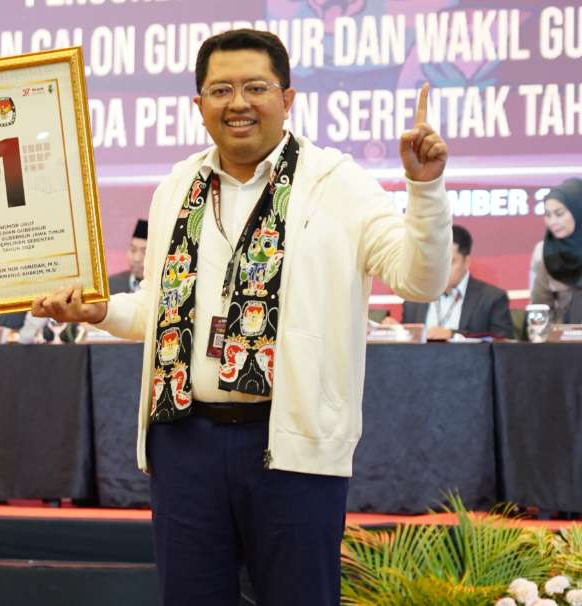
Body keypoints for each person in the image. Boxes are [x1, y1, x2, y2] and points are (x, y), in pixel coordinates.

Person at [31, 30, 450, 606]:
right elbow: (160, 308)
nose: (239, 103)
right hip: (184, 440)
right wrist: (101, 310)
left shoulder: (337, 183)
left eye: (256, 87)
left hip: (290, 445)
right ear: (199, 104)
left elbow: (420, 279)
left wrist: (423, 190)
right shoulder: (178, 186)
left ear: (288, 97)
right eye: (221, 89)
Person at [399, 225, 513, 339]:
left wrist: (453, 335)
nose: (441, 269)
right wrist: (394, 331)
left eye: (450, 262)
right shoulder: (414, 298)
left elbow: (503, 343)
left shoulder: (491, 298)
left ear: (466, 262)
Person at [530, 178, 582, 324]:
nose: (552, 222)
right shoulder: (545, 253)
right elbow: (539, 308)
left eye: (559, 214)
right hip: (563, 339)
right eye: (548, 215)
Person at [108, 219, 148, 294]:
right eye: (133, 250)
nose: (137, 259)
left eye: (144, 252)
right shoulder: (111, 285)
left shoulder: (161, 290)